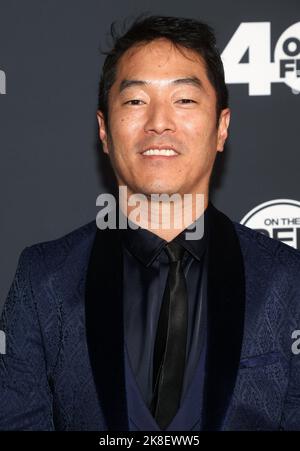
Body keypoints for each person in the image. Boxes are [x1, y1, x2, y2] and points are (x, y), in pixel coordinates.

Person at [1, 14, 300, 431]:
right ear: (104, 130)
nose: (159, 122)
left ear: (222, 128)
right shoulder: (43, 281)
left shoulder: (288, 280)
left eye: (185, 100)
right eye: (136, 101)